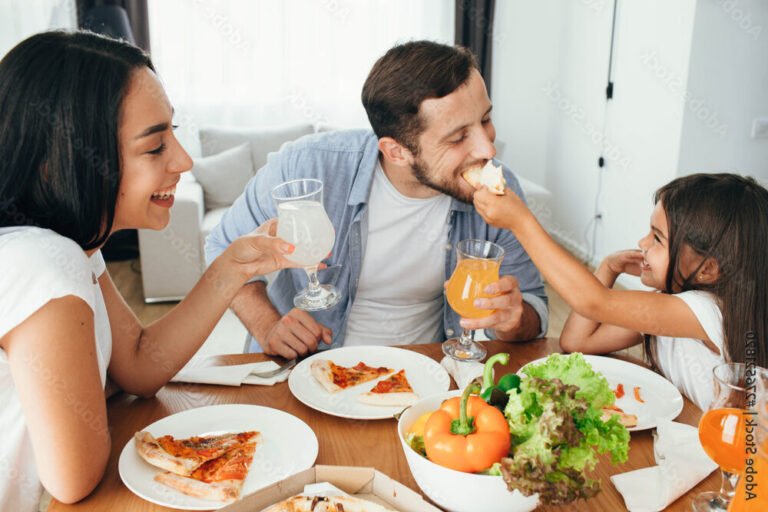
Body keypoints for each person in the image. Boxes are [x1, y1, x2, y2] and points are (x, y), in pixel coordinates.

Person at [0, 31, 300, 511]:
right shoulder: (44, 262)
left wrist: (231, 269)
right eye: (155, 147)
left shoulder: (74, 247)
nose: (183, 160)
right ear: (63, 162)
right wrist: (97, 384)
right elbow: (73, 476)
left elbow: (138, 364)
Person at [205, 41, 549, 357]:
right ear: (396, 151)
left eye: (486, 119)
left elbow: (534, 308)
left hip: (426, 377)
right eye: (458, 137)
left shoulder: (504, 194)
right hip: (307, 371)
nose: (487, 148)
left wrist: (515, 320)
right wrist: (267, 326)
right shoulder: (306, 165)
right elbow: (222, 246)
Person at [472, 172, 768, 410]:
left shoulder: (708, 311)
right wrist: (607, 271)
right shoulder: (666, 309)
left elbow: (593, 302)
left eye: (658, 239)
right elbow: (577, 340)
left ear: (707, 270)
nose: (642, 243)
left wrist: (520, 221)